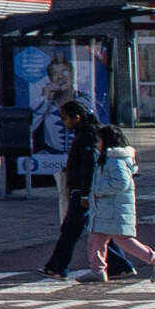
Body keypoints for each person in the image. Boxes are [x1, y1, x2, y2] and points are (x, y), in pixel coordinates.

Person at [77, 125, 155, 283]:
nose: (96, 143)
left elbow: (121, 182)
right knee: (97, 239)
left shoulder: (114, 161)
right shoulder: (110, 159)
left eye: (98, 140)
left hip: (112, 210)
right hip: (108, 209)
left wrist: (97, 191)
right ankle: (98, 271)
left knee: (120, 240)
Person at [40, 100, 99, 281]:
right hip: (81, 190)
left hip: (81, 192)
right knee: (100, 231)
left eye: (65, 118)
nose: (63, 122)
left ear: (77, 117)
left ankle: (57, 267)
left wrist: (84, 192)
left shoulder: (86, 136)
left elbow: (89, 167)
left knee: (70, 230)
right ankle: (120, 266)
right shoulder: (84, 134)